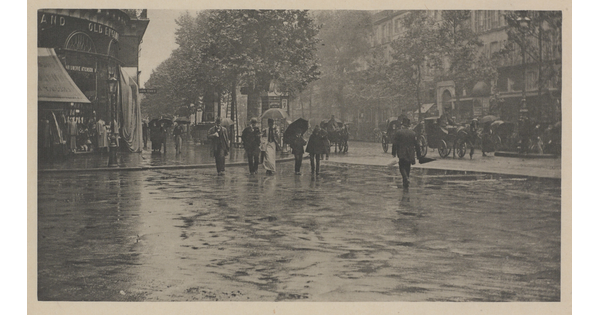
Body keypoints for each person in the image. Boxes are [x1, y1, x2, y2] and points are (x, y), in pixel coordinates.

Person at [391, 117, 422, 190]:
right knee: (408, 166)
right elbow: (417, 144)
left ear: (402, 125)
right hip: (410, 153)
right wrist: (418, 155)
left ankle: (405, 178)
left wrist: (393, 153)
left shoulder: (399, 132)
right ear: (408, 125)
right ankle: (406, 181)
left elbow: (394, 143)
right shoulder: (413, 133)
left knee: (401, 166)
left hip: (401, 152)